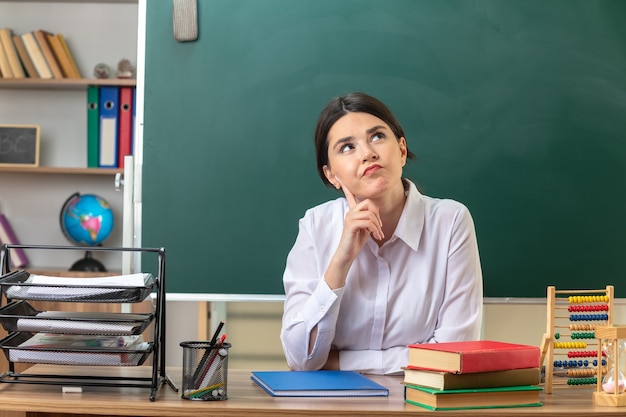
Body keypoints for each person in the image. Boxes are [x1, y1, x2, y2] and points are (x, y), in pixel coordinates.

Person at [280, 92, 483, 375]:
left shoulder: (450, 222)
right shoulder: (316, 226)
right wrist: (340, 261)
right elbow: (302, 359)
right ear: (332, 175)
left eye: (377, 137)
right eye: (347, 147)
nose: (367, 153)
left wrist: (339, 362)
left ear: (401, 150)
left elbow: (453, 355)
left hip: (420, 403)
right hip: (331, 406)